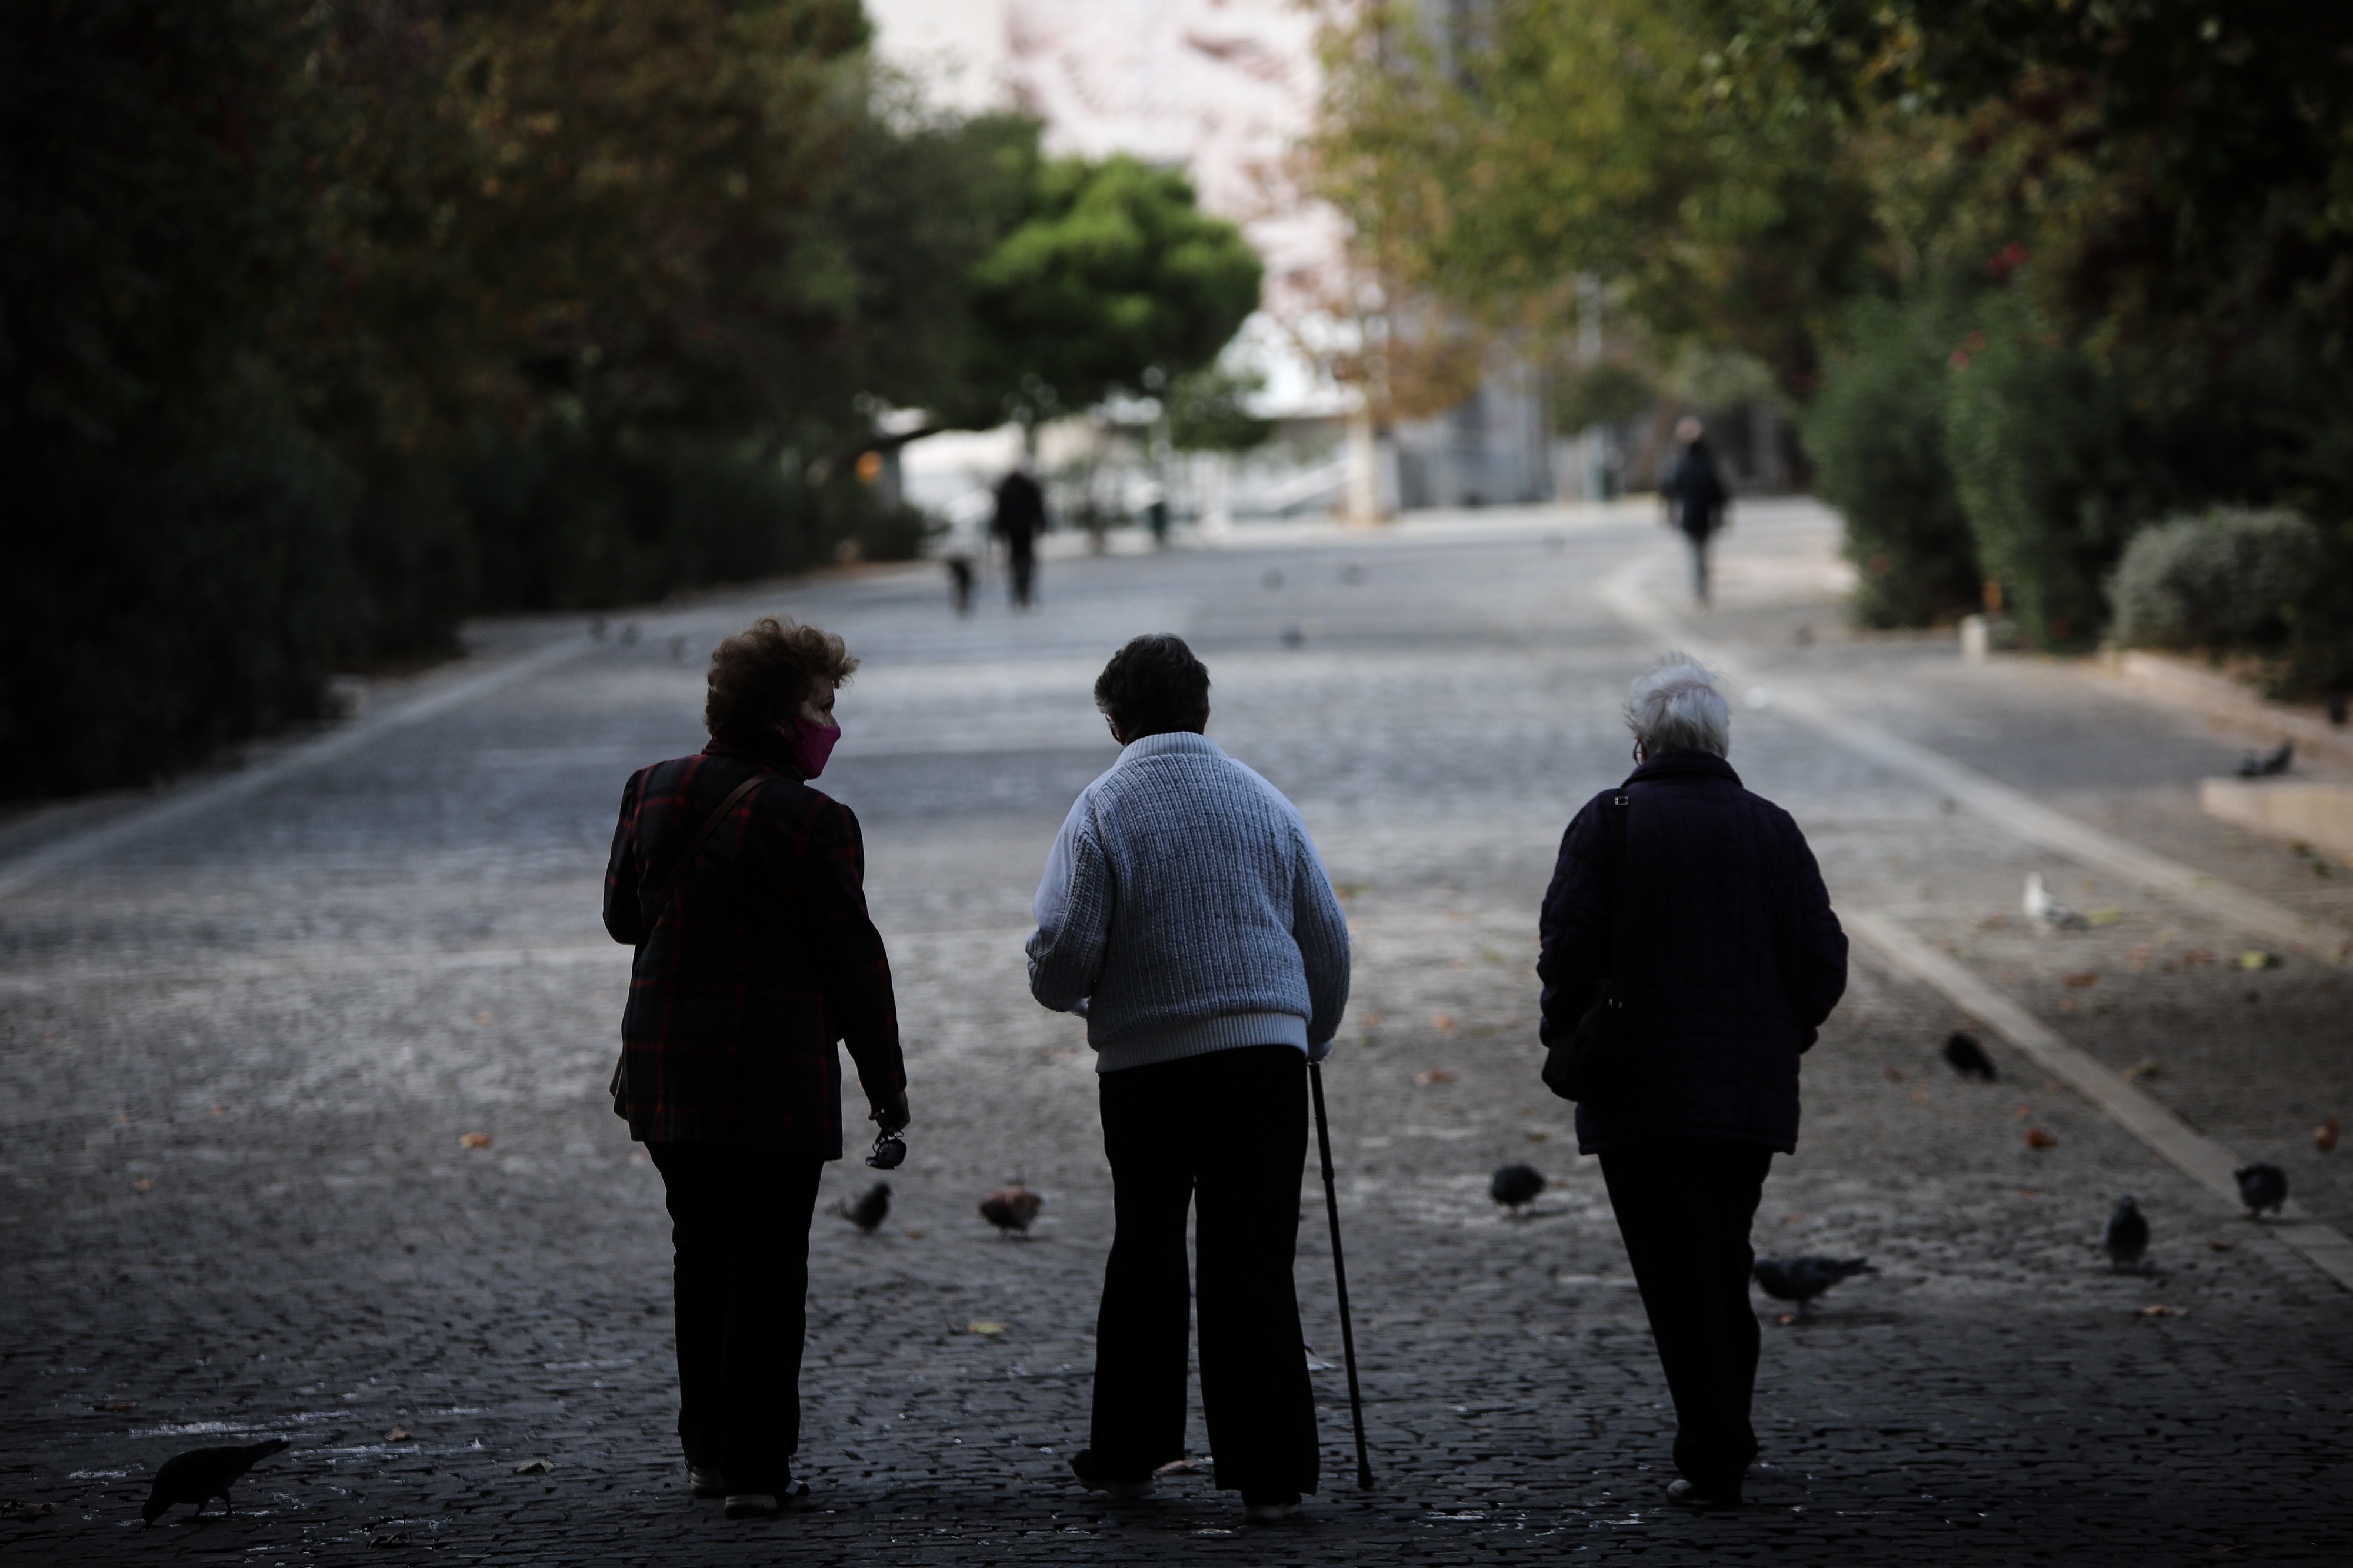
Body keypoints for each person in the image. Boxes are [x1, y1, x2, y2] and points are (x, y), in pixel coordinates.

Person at [1026, 634, 1351, 1524]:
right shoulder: (1263, 799)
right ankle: (1271, 1470)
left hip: (1147, 1069)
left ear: (1115, 721)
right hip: (1265, 1060)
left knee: (1147, 1248)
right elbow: (1325, 937)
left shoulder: (1101, 809)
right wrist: (1308, 1035)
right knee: (1254, 1258)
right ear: (1205, 712)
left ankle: (1132, 1452)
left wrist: (1069, 986)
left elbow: (1062, 958)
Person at [603, 615, 909, 1521]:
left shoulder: (649, 789)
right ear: (783, 715)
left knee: (700, 1254)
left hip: (668, 1077)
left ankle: (706, 1453)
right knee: (770, 1266)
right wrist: (886, 1091)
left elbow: (625, 918)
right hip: (771, 1079)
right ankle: (756, 1468)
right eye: (822, 704)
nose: (831, 724)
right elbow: (856, 967)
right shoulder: (815, 822)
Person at [1536, 654, 1846, 1511]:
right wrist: (1781, 1035)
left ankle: (1714, 1452)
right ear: (1720, 739)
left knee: (1680, 1277)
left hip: (1641, 1095)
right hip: (1747, 1093)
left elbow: (1567, 949)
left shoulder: (1610, 822)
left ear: (1639, 741)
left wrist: (1568, 1034)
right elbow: (1824, 958)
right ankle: (1723, 1435)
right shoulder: (1772, 826)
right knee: (1722, 1258)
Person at [1659, 417, 1729, 604]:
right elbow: (1720, 493)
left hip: (1692, 516)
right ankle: (1702, 590)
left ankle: (1701, 590)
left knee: (1697, 555)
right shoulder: (1705, 463)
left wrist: (1669, 512)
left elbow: (1669, 491)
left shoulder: (1681, 463)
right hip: (1701, 516)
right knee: (1701, 554)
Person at [992, 463, 1048, 606]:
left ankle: (1020, 588)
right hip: (1024, 528)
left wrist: (998, 528)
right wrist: (1041, 523)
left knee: (1016, 558)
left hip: (1014, 529)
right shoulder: (1027, 485)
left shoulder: (1007, 487)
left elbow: (1000, 511)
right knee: (1025, 557)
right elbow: (1038, 507)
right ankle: (1023, 587)